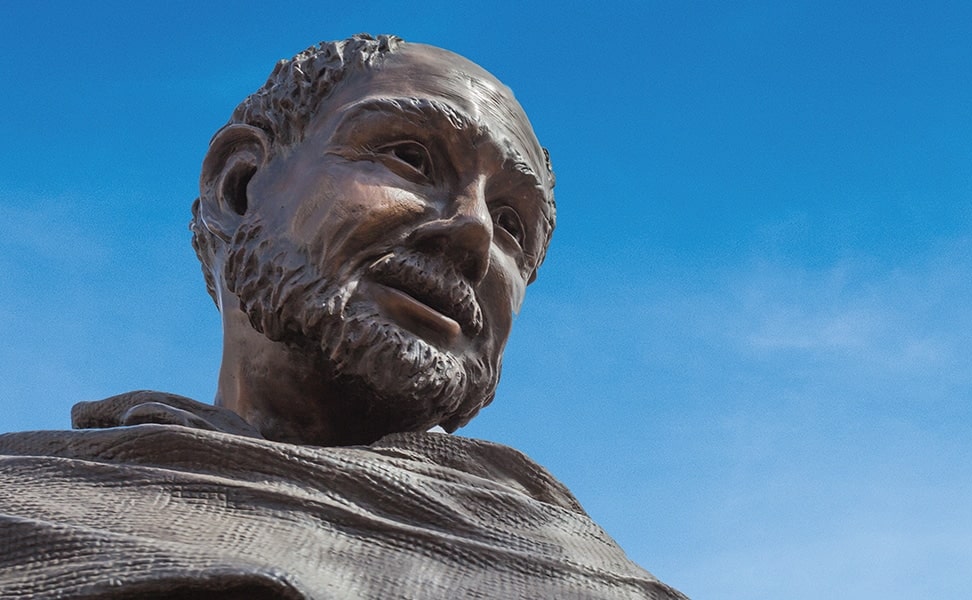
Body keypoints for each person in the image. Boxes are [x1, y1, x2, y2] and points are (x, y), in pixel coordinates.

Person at [0, 34, 685, 599]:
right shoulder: (24, 508)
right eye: (410, 159)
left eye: (511, 225)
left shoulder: (588, 581)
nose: (474, 233)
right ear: (239, 187)